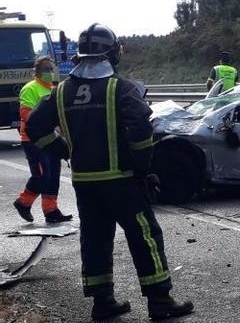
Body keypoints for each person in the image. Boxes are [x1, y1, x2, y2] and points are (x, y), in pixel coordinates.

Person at [26, 23, 193, 321]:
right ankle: (160, 300)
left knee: (94, 239)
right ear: (112, 53)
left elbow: (35, 126)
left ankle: (102, 302)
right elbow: (142, 129)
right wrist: (141, 167)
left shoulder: (61, 92)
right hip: (123, 180)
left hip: (85, 183)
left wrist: (64, 150)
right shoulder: (121, 88)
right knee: (145, 235)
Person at [12, 56, 73, 223]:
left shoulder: (55, 90)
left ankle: (51, 210)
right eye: (46, 69)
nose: (50, 72)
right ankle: (23, 202)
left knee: (53, 174)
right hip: (33, 139)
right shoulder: (30, 88)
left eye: (51, 69)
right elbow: (26, 113)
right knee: (42, 175)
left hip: (52, 137)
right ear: (37, 72)